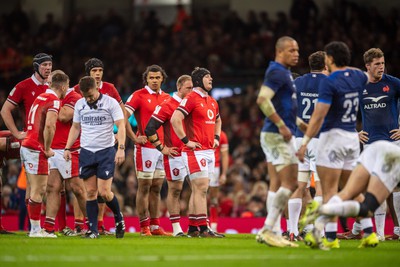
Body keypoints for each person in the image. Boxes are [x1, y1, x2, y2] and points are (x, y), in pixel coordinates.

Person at [297, 41, 369, 249]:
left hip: (331, 137)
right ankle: (370, 231)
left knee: (327, 190)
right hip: (352, 137)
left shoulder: (328, 82)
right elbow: (365, 75)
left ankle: (327, 235)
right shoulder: (357, 76)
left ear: (330, 59)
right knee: (350, 189)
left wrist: (305, 142)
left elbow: (318, 117)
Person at [342, 48, 400, 241]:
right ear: (367, 66)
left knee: (397, 188)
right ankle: (379, 234)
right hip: (370, 144)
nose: (381, 67)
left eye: (382, 63)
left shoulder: (393, 83)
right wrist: (353, 133)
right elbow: (345, 111)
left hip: (393, 143)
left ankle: (397, 232)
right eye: (377, 64)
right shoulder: (360, 86)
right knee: (371, 188)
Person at [300, 140, 400, 248]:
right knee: (367, 207)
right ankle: (320, 211)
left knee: (349, 193)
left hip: (376, 147)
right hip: (392, 157)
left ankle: (367, 234)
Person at [255, 36, 304, 248]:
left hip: (279, 133)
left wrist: (302, 126)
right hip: (276, 134)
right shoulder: (277, 72)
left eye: (297, 50)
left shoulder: (284, 73)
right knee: (291, 182)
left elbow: (286, 107)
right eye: (292, 50)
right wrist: (282, 125)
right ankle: (268, 228)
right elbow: (262, 99)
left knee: (277, 183)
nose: (296, 54)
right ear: (280, 51)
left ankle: (272, 231)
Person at [64, 76, 126, 239]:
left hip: (106, 151)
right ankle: (93, 230)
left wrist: (120, 149)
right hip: (86, 152)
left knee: (104, 192)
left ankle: (119, 219)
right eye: (86, 96)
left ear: (97, 88)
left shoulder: (111, 103)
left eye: (91, 95)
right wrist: (67, 147)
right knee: (90, 192)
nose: (88, 99)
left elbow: (121, 125)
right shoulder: (80, 104)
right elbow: (75, 127)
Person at [1, 53, 52, 234]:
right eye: (44, 65)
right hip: (33, 143)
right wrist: (16, 133)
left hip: (51, 142)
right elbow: (5, 110)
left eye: (50, 65)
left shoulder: (52, 87)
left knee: (48, 187)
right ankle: (35, 228)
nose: (48, 68)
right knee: (35, 186)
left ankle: (41, 227)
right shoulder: (23, 86)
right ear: (36, 66)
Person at [170, 67, 222, 238]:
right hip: (194, 151)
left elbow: (218, 120)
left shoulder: (213, 101)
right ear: (199, 80)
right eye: (208, 77)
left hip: (208, 150)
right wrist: (186, 141)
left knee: (199, 189)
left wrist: (216, 137)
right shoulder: (191, 98)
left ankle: (193, 228)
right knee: (201, 188)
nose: (211, 79)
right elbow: (175, 118)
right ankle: (203, 228)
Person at [20, 71, 69, 237]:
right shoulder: (54, 100)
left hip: (27, 145)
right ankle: (35, 230)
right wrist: (47, 148)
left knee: (34, 189)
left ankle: (35, 228)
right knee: (39, 190)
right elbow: (50, 126)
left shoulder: (41, 97)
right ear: (63, 85)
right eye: (67, 86)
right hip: (36, 147)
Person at [125, 64, 171, 236]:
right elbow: (123, 116)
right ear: (146, 79)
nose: (154, 80)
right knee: (144, 186)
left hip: (162, 148)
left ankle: (155, 225)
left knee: (157, 187)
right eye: (151, 78)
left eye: (157, 77)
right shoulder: (139, 95)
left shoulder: (167, 97)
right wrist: (133, 137)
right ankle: (144, 227)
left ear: (162, 79)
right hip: (145, 148)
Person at [144, 74, 193, 237]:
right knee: (175, 190)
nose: (192, 91)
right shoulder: (168, 105)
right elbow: (149, 128)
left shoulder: (193, 103)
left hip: (193, 152)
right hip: (175, 154)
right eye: (189, 88)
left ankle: (197, 226)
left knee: (198, 188)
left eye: (193, 88)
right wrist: (162, 148)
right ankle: (177, 228)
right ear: (179, 87)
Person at [287, 51, 327, 241]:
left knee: (299, 185)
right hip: (320, 139)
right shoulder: (329, 83)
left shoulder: (299, 82)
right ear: (326, 65)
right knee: (320, 186)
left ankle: (293, 231)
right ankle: (316, 229)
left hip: (299, 139)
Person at [43, 70, 87, 237]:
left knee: (77, 189)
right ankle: (49, 228)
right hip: (52, 149)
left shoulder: (73, 97)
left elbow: (62, 117)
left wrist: (53, 101)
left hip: (70, 149)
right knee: (52, 187)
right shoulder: (51, 97)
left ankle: (91, 226)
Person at [209, 130, 229, 232]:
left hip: (214, 168)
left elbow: (225, 155)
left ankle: (213, 225)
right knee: (200, 194)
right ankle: (202, 223)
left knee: (213, 197)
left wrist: (224, 173)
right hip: (200, 165)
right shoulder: (202, 129)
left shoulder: (222, 135)